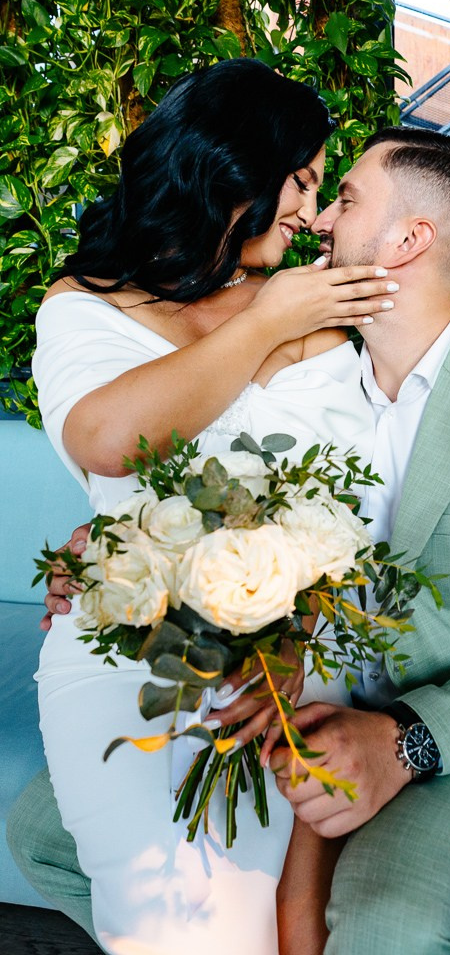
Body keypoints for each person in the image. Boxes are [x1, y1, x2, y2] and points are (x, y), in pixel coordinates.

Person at [12, 127, 450, 954]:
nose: (313, 220)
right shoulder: (297, 359)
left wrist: (403, 743)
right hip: (279, 696)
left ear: (408, 239)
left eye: (344, 200)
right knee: (44, 831)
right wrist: (108, 559)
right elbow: (193, 493)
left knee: (392, 928)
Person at [10, 57, 400, 955]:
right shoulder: (83, 305)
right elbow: (110, 443)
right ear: (234, 168)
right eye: (301, 180)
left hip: (290, 658)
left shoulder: (316, 306)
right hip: (125, 645)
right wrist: (262, 327)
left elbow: (355, 500)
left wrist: (295, 634)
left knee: (255, 922)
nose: (309, 212)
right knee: (168, 929)